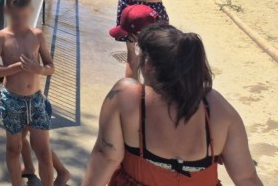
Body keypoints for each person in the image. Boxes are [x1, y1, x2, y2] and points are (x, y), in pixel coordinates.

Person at [83, 24, 263, 186]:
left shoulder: (127, 97)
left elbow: (106, 157)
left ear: (149, 64)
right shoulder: (217, 107)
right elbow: (245, 177)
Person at [0, 0, 56, 186]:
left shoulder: (37, 35)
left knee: (43, 151)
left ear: (30, 11)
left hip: (35, 99)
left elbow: (51, 67)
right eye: (16, 16)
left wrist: (38, 68)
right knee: (14, 149)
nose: (20, 20)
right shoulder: (1, 37)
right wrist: (15, 67)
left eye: (25, 15)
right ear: (7, 10)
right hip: (12, 100)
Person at [0, 60, 71, 185]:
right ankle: (29, 167)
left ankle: (63, 172)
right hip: (29, 108)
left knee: (40, 147)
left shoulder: (8, 81)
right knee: (20, 139)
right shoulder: (8, 73)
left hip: (39, 108)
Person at [108, 4, 162, 78]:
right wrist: (131, 49)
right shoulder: (155, 35)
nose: (129, 38)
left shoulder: (163, 52)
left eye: (130, 33)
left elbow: (132, 84)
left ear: (142, 32)